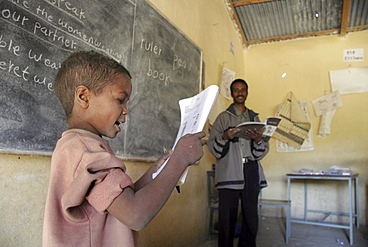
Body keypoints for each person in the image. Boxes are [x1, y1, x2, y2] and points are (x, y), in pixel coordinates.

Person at [42, 50, 205, 247]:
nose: (126, 110)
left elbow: (117, 201)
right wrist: (180, 159)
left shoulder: (76, 145)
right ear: (84, 96)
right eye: (120, 100)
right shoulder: (88, 152)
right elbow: (136, 215)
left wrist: (154, 173)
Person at [207, 78, 269, 247]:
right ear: (231, 93)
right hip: (229, 171)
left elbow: (263, 150)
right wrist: (225, 137)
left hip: (250, 169)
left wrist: (257, 140)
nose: (239, 93)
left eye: (243, 90)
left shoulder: (255, 117)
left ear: (247, 93)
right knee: (227, 217)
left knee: (251, 216)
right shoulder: (223, 118)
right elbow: (212, 146)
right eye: (236, 90)